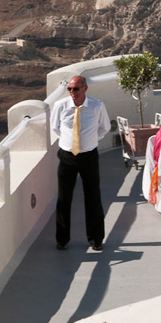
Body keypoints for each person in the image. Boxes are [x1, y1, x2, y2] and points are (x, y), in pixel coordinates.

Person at [51, 75, 111, 252]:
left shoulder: (97, 106)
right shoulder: (60, 106)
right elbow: (55, 128)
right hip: (67, 157)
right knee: (64, 198)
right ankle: (62, 240)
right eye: (69, 89)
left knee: (93, 198)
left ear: (85, 88)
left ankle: (96, 239)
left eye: (75, 89)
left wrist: (90, 141)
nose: (72, 93)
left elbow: (104, 128)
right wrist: (70, 143)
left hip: (89, 156)